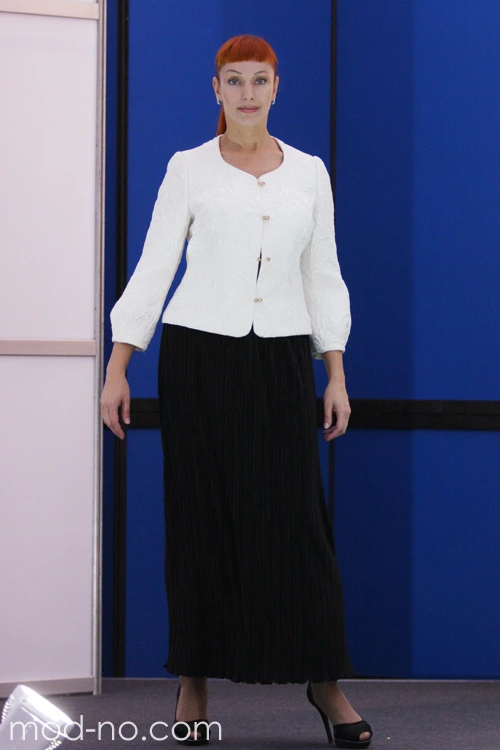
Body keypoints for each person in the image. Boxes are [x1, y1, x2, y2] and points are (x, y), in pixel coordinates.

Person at [101, 34, 373, 748]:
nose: (247, 93)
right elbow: (155, 265)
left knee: (297, 525)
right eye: (234, 80)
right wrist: (118, 366)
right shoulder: (188, 168)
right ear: (215, 89)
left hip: (280, 357)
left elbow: (323, 274)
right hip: (198, 358)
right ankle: (192, 681)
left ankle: (324, 680)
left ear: (277, 88)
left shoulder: (309, 173)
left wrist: (336, 373)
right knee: (199, 518)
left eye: (259, 80)